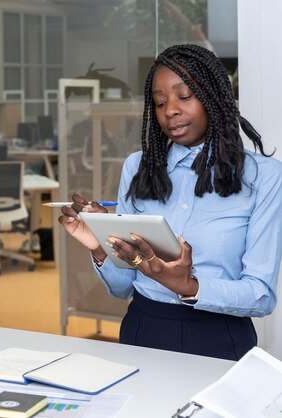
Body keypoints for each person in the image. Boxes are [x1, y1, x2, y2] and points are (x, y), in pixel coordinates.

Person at [58, 44, 282, 361]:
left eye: (184, 96)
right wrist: (99, 247)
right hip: (143, 330)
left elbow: (261, 295)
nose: (170, 110)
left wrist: (189, 286)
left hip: (219, 339)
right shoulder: (137, 168)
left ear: (214, 97)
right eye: (160, 102)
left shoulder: (264, 177)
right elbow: (123, 287)